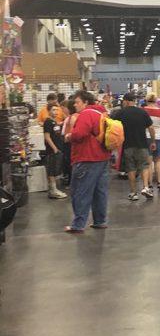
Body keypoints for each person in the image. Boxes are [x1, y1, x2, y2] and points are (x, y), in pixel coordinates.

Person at [64, 90, 111, 233]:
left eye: (77, 102)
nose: (74, 104)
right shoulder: (101, 113)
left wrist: (69, 136)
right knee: (99, 191)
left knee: (80, 191)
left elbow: (80, 134)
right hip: (102, 157)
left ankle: (78, 224)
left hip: (87, 157)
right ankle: (100, 221)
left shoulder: (86, 114)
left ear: (85, 102)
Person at [111, 93, 156, 200]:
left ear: (126, 101)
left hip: (127, 145)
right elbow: (151, 128)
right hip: (142, 144)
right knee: (144, 166)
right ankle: (145, 187)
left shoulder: (120, 113)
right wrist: (153, 141)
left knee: (130, 168)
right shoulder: (142, 112)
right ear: (134, 101)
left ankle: (133, 193)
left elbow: (112, 127)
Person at [144, 93, 160, 191]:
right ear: (156, 101)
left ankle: (149, 184)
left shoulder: (143, 111)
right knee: (158, 161)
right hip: (159, 137)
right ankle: (159, 182)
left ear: (146, 100)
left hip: (146, 137)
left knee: (149, 162)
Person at [43, 101, 67, 199]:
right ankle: (53, 191)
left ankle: (54, 189)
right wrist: (54, 148)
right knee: (51, 170)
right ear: (48, 111)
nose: (55, 111)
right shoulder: (48, 122)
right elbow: (47, 137)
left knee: (54, 170)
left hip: (58, 150)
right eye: (53, 110)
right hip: (52, 151)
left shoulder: (54, 121)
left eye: (57, 109)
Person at [60, 98, 77, 186]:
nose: (62, 110)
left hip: (69, 143)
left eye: (63, 108)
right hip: (68, 142)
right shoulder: (70, 117)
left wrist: (67, 137)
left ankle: (71, 181)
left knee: (70, 162)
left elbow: (71, 131)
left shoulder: (72, 117)